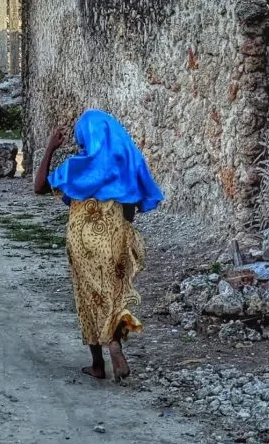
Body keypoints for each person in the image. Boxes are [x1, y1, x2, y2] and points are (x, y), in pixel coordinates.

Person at [33, 110, 162, 382]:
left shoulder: (76, 167)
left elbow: (39, 187)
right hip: (112, 240)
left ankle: (97, 364)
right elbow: (130, 214)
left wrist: (49, 148)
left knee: (87, 297)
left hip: (79, 242)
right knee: (112, 295)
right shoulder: (125, 170)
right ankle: (114, 345)